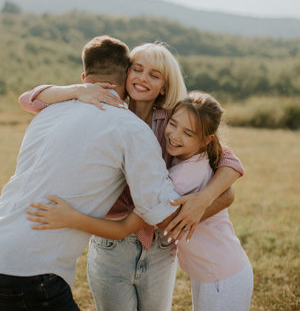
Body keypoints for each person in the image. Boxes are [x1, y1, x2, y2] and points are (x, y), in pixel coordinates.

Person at [20, 42, 244, 311]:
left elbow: (224, 157)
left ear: (164, 86)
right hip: (110, 242)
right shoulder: (102, 107)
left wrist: (206, 198)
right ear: (125, 73)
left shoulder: (172, 122)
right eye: (137, 69)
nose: (142, 78)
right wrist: (77, 89)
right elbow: (29, 100)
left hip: (160, 246)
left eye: (154, 74)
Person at [0, 36, 184, 311]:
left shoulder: (49, 112)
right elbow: (160, 209)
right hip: (34, 270)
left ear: (85, 77)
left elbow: (31, 98)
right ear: (125, 78)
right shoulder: (130, 128)